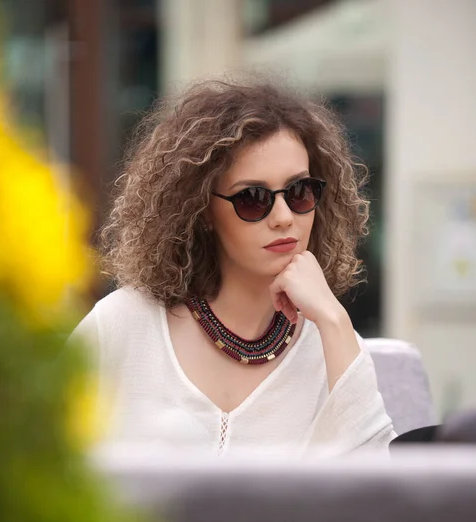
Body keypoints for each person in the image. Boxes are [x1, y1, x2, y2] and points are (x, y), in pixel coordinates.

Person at [70, 78, 396, 457]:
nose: (283, 217)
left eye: (299, 192)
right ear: (203, 210)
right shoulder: (122, 325)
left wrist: (336, 322)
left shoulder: (333, 344)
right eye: (253, 198)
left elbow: (374, 496)